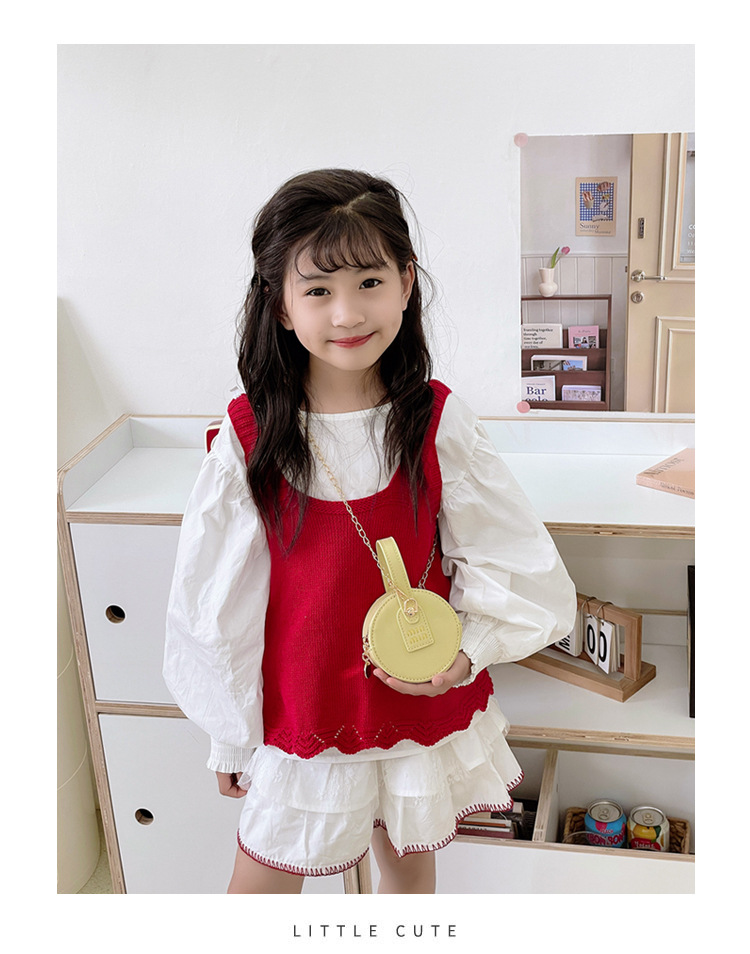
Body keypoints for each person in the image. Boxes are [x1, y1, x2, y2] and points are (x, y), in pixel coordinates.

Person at [163, 168, 577, 894]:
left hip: (415, 703)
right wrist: (230, 732)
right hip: (302, 715)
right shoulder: (250, 435)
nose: (348, 312)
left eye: (369, 282)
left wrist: (467, 657)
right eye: (318, 290)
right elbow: (218, 604)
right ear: (280, 304)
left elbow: (508, 558)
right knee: (258, 891)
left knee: (408, 880)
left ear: (406, 282)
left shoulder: (437, 422)